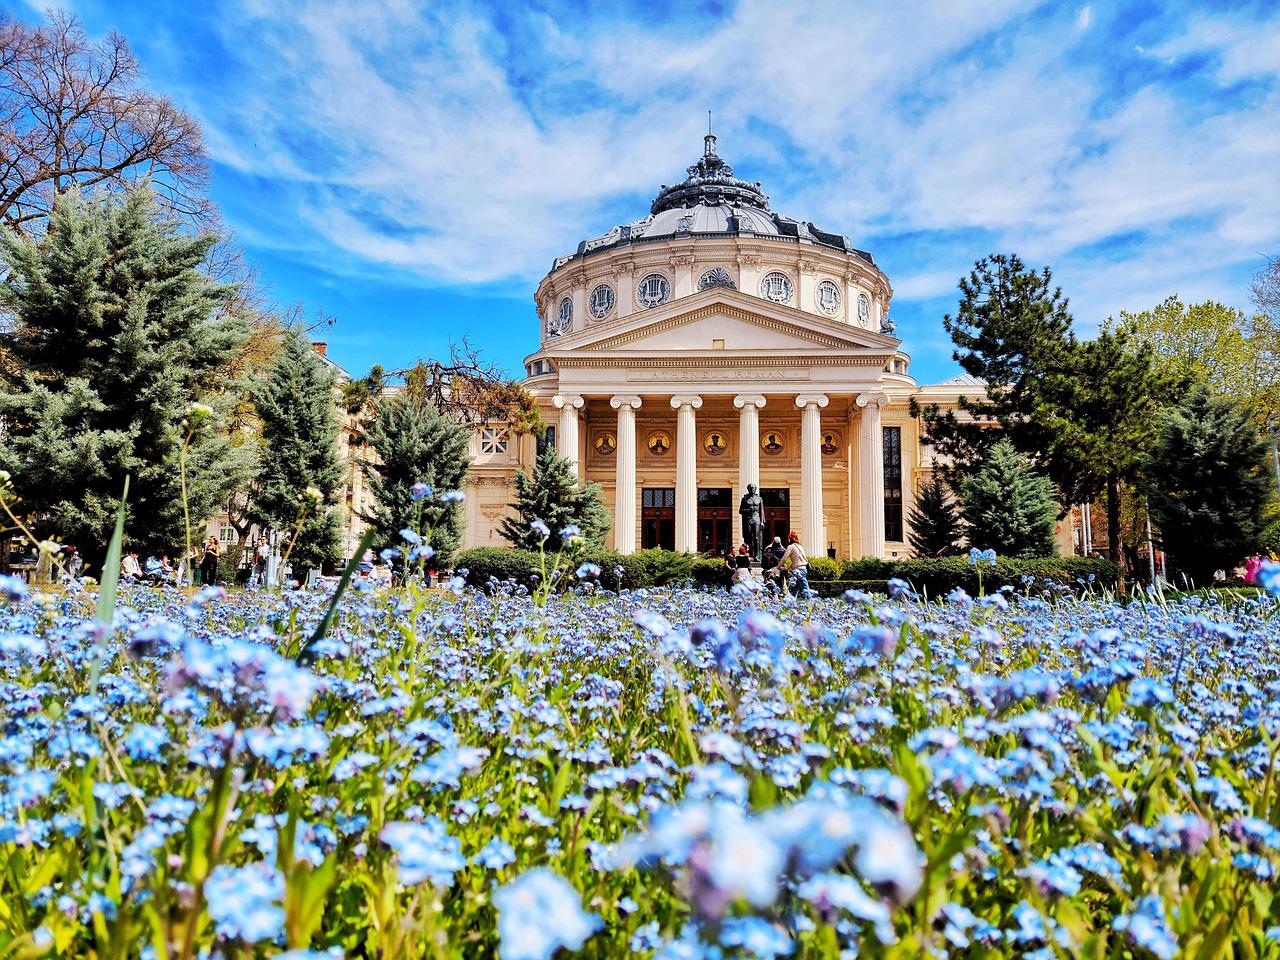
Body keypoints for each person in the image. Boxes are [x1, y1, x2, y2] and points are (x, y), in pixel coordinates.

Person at [767, 531, 812, 598]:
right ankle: (791, 603)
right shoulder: (800, 546)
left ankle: (811, 603)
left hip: (798, 571)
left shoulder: (790, 547)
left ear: (790, 539)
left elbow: (784, 558)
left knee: (805, 589)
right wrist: (789, 567)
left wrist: (778, 566)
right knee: (794, 589)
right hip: (804, 569)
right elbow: (798, 560)